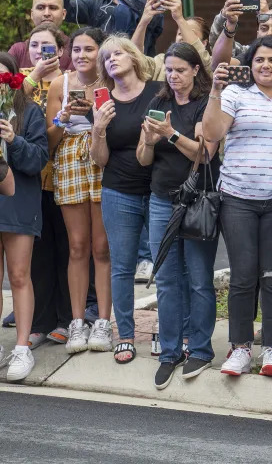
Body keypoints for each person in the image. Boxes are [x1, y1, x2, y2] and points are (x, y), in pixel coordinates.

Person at [202, 35, 272, 378]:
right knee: (244, 277)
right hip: (238, 198)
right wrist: (216, 90)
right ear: (250, 64)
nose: (265, 65)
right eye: (259, 59)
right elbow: (212, 133)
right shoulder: (234, 94)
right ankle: (241, 348)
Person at [136, 42, 220, 387]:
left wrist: (170, 134)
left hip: (197, 200)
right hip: (161, 200)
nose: (173, 76)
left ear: (196, 70)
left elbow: (204, 154)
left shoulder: (204, 106)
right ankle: (170, 351)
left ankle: (200, 349)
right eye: (169, 70)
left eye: (180, 70)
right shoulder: (159, 102)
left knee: (200, 279)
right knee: (167, 280)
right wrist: (150, 140)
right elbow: (143, 160)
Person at [89, 36, 162, 364]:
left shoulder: (157, 91)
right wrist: (98, 128)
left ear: (133, 58)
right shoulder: (103, 101)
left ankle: (165, 332)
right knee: (121, 266)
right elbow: (99, 159)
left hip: (160, 189)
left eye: (118, 53)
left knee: (166, 267)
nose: (112, 60)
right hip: (119, 191)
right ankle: (127, 336)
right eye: (106, 58)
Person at [45, 27, 110, 355]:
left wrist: (99, 118)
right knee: (77, 246)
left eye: (89, 49)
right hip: (70, 157)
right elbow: (49, 141)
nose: (82, 55)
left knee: (101, 247)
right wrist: (63, 116)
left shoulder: (109, 81)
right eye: (77, 49)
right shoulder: (61, 84)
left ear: (101, 51)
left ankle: (103, 321)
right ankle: (76, 322)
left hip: (101, 157)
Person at [21, 24, 72, 346]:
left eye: (48, 45)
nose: (42, 51)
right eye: (36, 45)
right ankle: (39, 321)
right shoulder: (18, 79)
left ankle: (67, 319)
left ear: (61, 50)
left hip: (64, 176)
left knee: (67, 250)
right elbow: (8, 104)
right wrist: (33, 75)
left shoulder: (69, 80)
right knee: (37, 255)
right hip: (29, 181)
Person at [0, 52, 49, 381]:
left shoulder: (29, 113)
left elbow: (38, 160)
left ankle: (21, 348)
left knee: (19, 276)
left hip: (19, 202)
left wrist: (13, 139)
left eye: (3, 77)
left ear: (15, 80)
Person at [132, 0, 213, 80]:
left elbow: (201, 58)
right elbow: (134, 60)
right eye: (179, 33)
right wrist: (144, 21)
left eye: (189, 33)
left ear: (204, 43)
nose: (182, 36)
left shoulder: (211, 62)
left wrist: (179, 18)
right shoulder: (160, 62)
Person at [7, 0, 72, 71]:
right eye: (40, 8)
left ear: (63, 14)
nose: (46, 13)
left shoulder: (76, 49)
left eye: (53, 8)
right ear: (32, 14)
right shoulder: (18, 50)